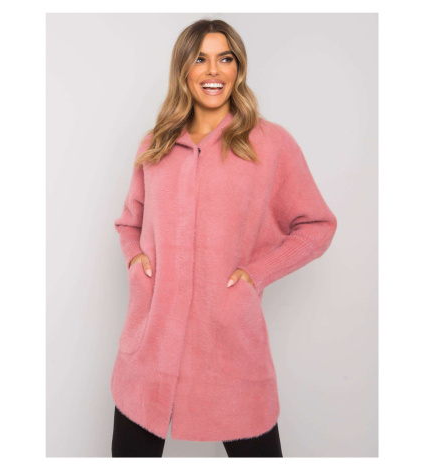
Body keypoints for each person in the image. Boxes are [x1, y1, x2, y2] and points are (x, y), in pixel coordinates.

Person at [111, 19, 337, 458]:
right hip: (150, 343)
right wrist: (136, 262)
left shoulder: (269, 144)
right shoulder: (155, 144)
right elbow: (128, 224)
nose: (213, 71)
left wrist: (256, 275)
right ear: (183, 69)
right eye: (200, 59)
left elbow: (317, 225)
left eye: (225, 59)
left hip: (228, 342)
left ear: (238, 67)